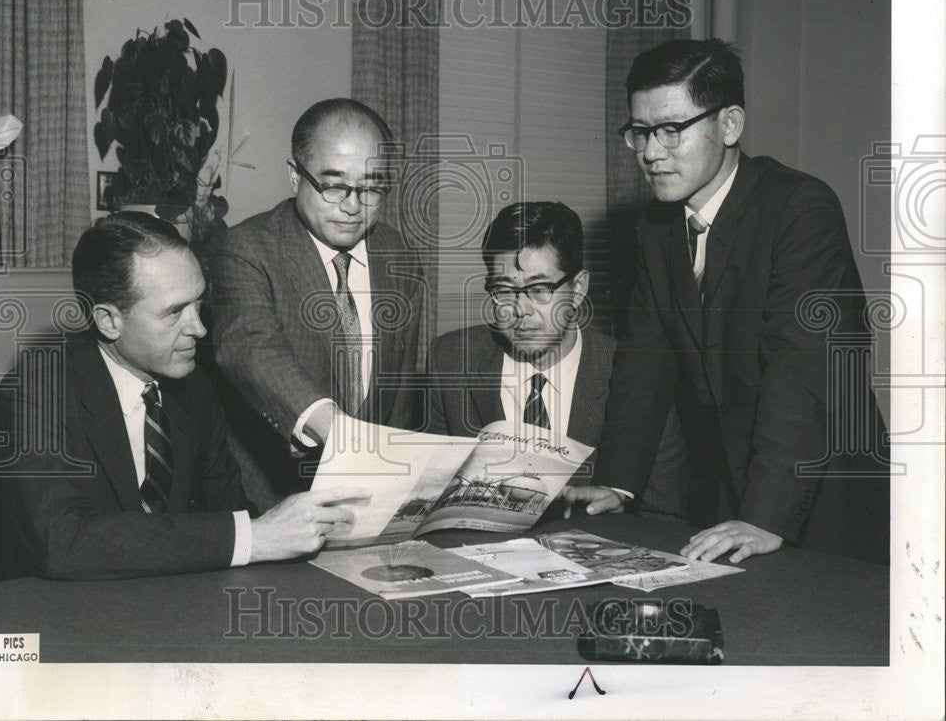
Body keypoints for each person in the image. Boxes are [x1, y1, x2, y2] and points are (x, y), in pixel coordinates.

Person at [566, 38, 890, 565]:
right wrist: (619, 482)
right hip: (725, 487)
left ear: (730, 125)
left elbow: (805, 374)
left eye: (672, 129)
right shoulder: (656, 226)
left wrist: (764, 517)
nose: (650, 152)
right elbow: (644, 361)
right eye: (641, 132)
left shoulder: (800, 208)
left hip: (816, 486)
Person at [0, 212, 366, 581]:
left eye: (198, 302)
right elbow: (63, 542)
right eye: (174, 313)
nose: (199, 328)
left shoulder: (195, 387)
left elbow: (231, 513)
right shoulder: (33, 395)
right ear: (108, 321)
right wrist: (258, 535)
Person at [209, 98, 425, 492]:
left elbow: (401, 389)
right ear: (295, 176)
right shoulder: (247, 249)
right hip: (276, 491)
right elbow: (251, 348)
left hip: (375, 488)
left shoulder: (399, 255)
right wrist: (336, 431)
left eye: (371, 188)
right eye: (332, 185)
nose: (352, 206)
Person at [427, 201, 684, 498]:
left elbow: (666, 513)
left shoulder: (635, 374)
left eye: (539, 290)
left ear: (577, 289)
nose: (520, 310)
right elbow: (430, 495)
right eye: (504, 291)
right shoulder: (450, 360)